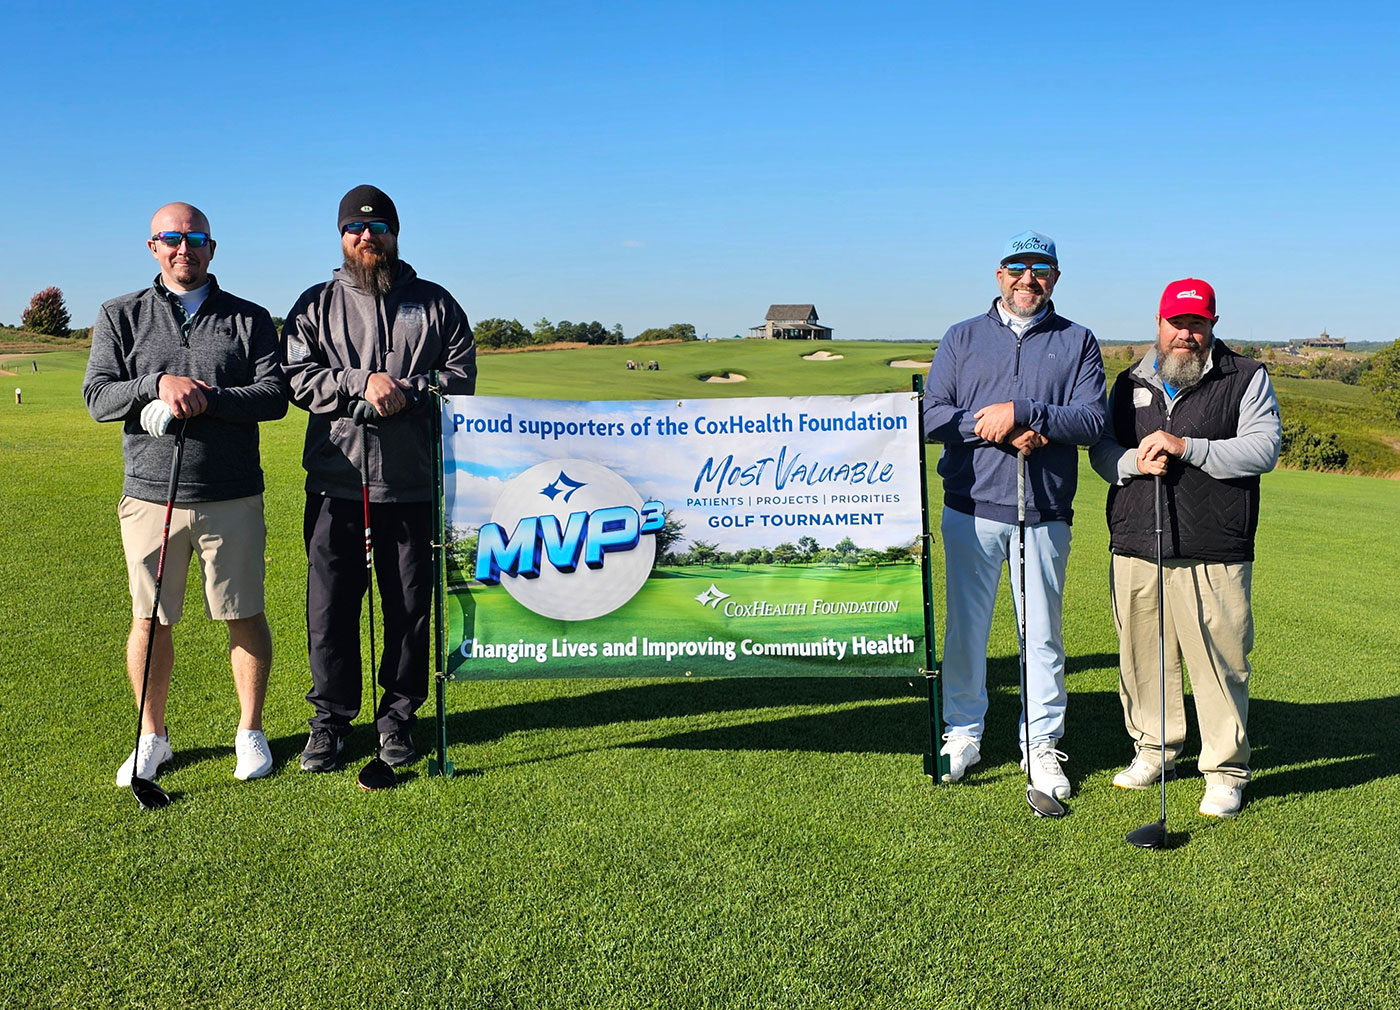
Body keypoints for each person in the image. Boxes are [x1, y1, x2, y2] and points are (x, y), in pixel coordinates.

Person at [82, 201, 286, 786]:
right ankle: (153, 737)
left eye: (195, 239)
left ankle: (250, 731)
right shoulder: (119, 314)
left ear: (211, 248)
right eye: (171, 238)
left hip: (231, 494)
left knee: (243, 613)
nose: (183, 248)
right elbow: (98, 396)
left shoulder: (249, 318)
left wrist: (207, 397)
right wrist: (156, 385)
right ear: (153, 247)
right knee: (150, 619)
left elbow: (274, 395)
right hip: (150, 496)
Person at [283, 185, 476, 772]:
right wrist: (358, 383)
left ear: (395, 233)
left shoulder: (436, 303)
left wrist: (407, 392)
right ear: (342, 236)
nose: (367, 237)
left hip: (412, 486)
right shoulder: (315, 304)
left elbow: (460, 378)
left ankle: (397, 721)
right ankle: (330, 722)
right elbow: (296, 377)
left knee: (409, 610)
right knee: (331, 611)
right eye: (355, 229)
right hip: (337, 483)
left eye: (379, 227)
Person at [923, 230, 1107, 800]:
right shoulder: (962, 336)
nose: (1029, 279)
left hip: (1044, 510)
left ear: (1055, 277)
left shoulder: (1077, 340)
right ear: (1000, 274)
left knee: (1043, 635)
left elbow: (1092, 420)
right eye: (1018, 268)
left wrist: (1027, 412)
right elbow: (932, 417)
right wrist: (995, 426)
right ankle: (963, 733)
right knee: (966, 630)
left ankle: (1041, 743)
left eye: (1041, 270)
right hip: (971, 506)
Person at [1090, 279, 1280, 818]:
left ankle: (1225, 772)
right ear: (1159, 323)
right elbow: (1103, 450)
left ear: (1212, 326)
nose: (1185, 334)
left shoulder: (1245, 377)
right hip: (1135, 540)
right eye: (1176, 323)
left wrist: (1186, 447)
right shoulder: (1129, 381)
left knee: (1220, 661)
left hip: (1214, 544)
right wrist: (1132, 462)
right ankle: (1154, 751)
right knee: (1142, 656)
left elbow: (1263, 448)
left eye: (1197, 324)